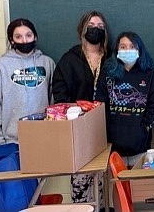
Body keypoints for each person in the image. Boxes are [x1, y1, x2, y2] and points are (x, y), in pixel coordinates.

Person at [51, 10, 109, 205]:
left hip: (105, 130)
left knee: (104, 184)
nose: (96, 29)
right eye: (91, 26)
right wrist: (75, 112)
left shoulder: (112, 58)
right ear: (82, 29)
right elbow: (59, 90)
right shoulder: (70, 58)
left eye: (100, 27)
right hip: (78, 130)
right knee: (81, 183)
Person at [0, 18, 55, 146]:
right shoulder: (0, 67)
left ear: (35, 37)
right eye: (18, 37)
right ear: (12, 40)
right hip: (11, 142)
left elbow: (53, 100)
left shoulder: (47, 63)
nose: (24, 40)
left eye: (28, 35)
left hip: (44, 137)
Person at [96, 31, 154, 167]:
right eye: (123, 47)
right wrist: (108, 127)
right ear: (117, 50)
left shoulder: (149, 74)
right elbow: (100, 104)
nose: (127, 50)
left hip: (140, 146)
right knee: (117, 187)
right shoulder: (107, 73)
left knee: (139, 187)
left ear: (139, 50)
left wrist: (145, 127)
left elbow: (153, 104)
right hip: (112, 148)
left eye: (132, 47)